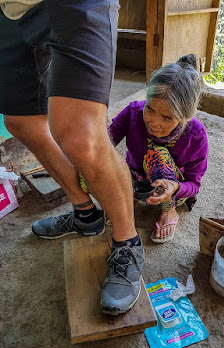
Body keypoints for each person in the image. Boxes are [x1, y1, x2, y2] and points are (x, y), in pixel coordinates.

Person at [0, 0, 144, 315]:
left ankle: (128, 242)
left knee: (82, 140)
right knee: (20, 121)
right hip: (10, 11)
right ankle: (86, 215)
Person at [101, 54, 208, 243]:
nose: (153, 123)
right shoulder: (133, 112)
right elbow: (104, 145)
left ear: (184, 117)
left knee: (157, 156)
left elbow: (193, 185)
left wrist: (175, 187)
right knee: (93, 159)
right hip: (135, 179)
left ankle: (169, 210)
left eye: (167, 117)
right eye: (149, 109)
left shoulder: (196, 135)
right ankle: (129, 197)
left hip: (173, 189)